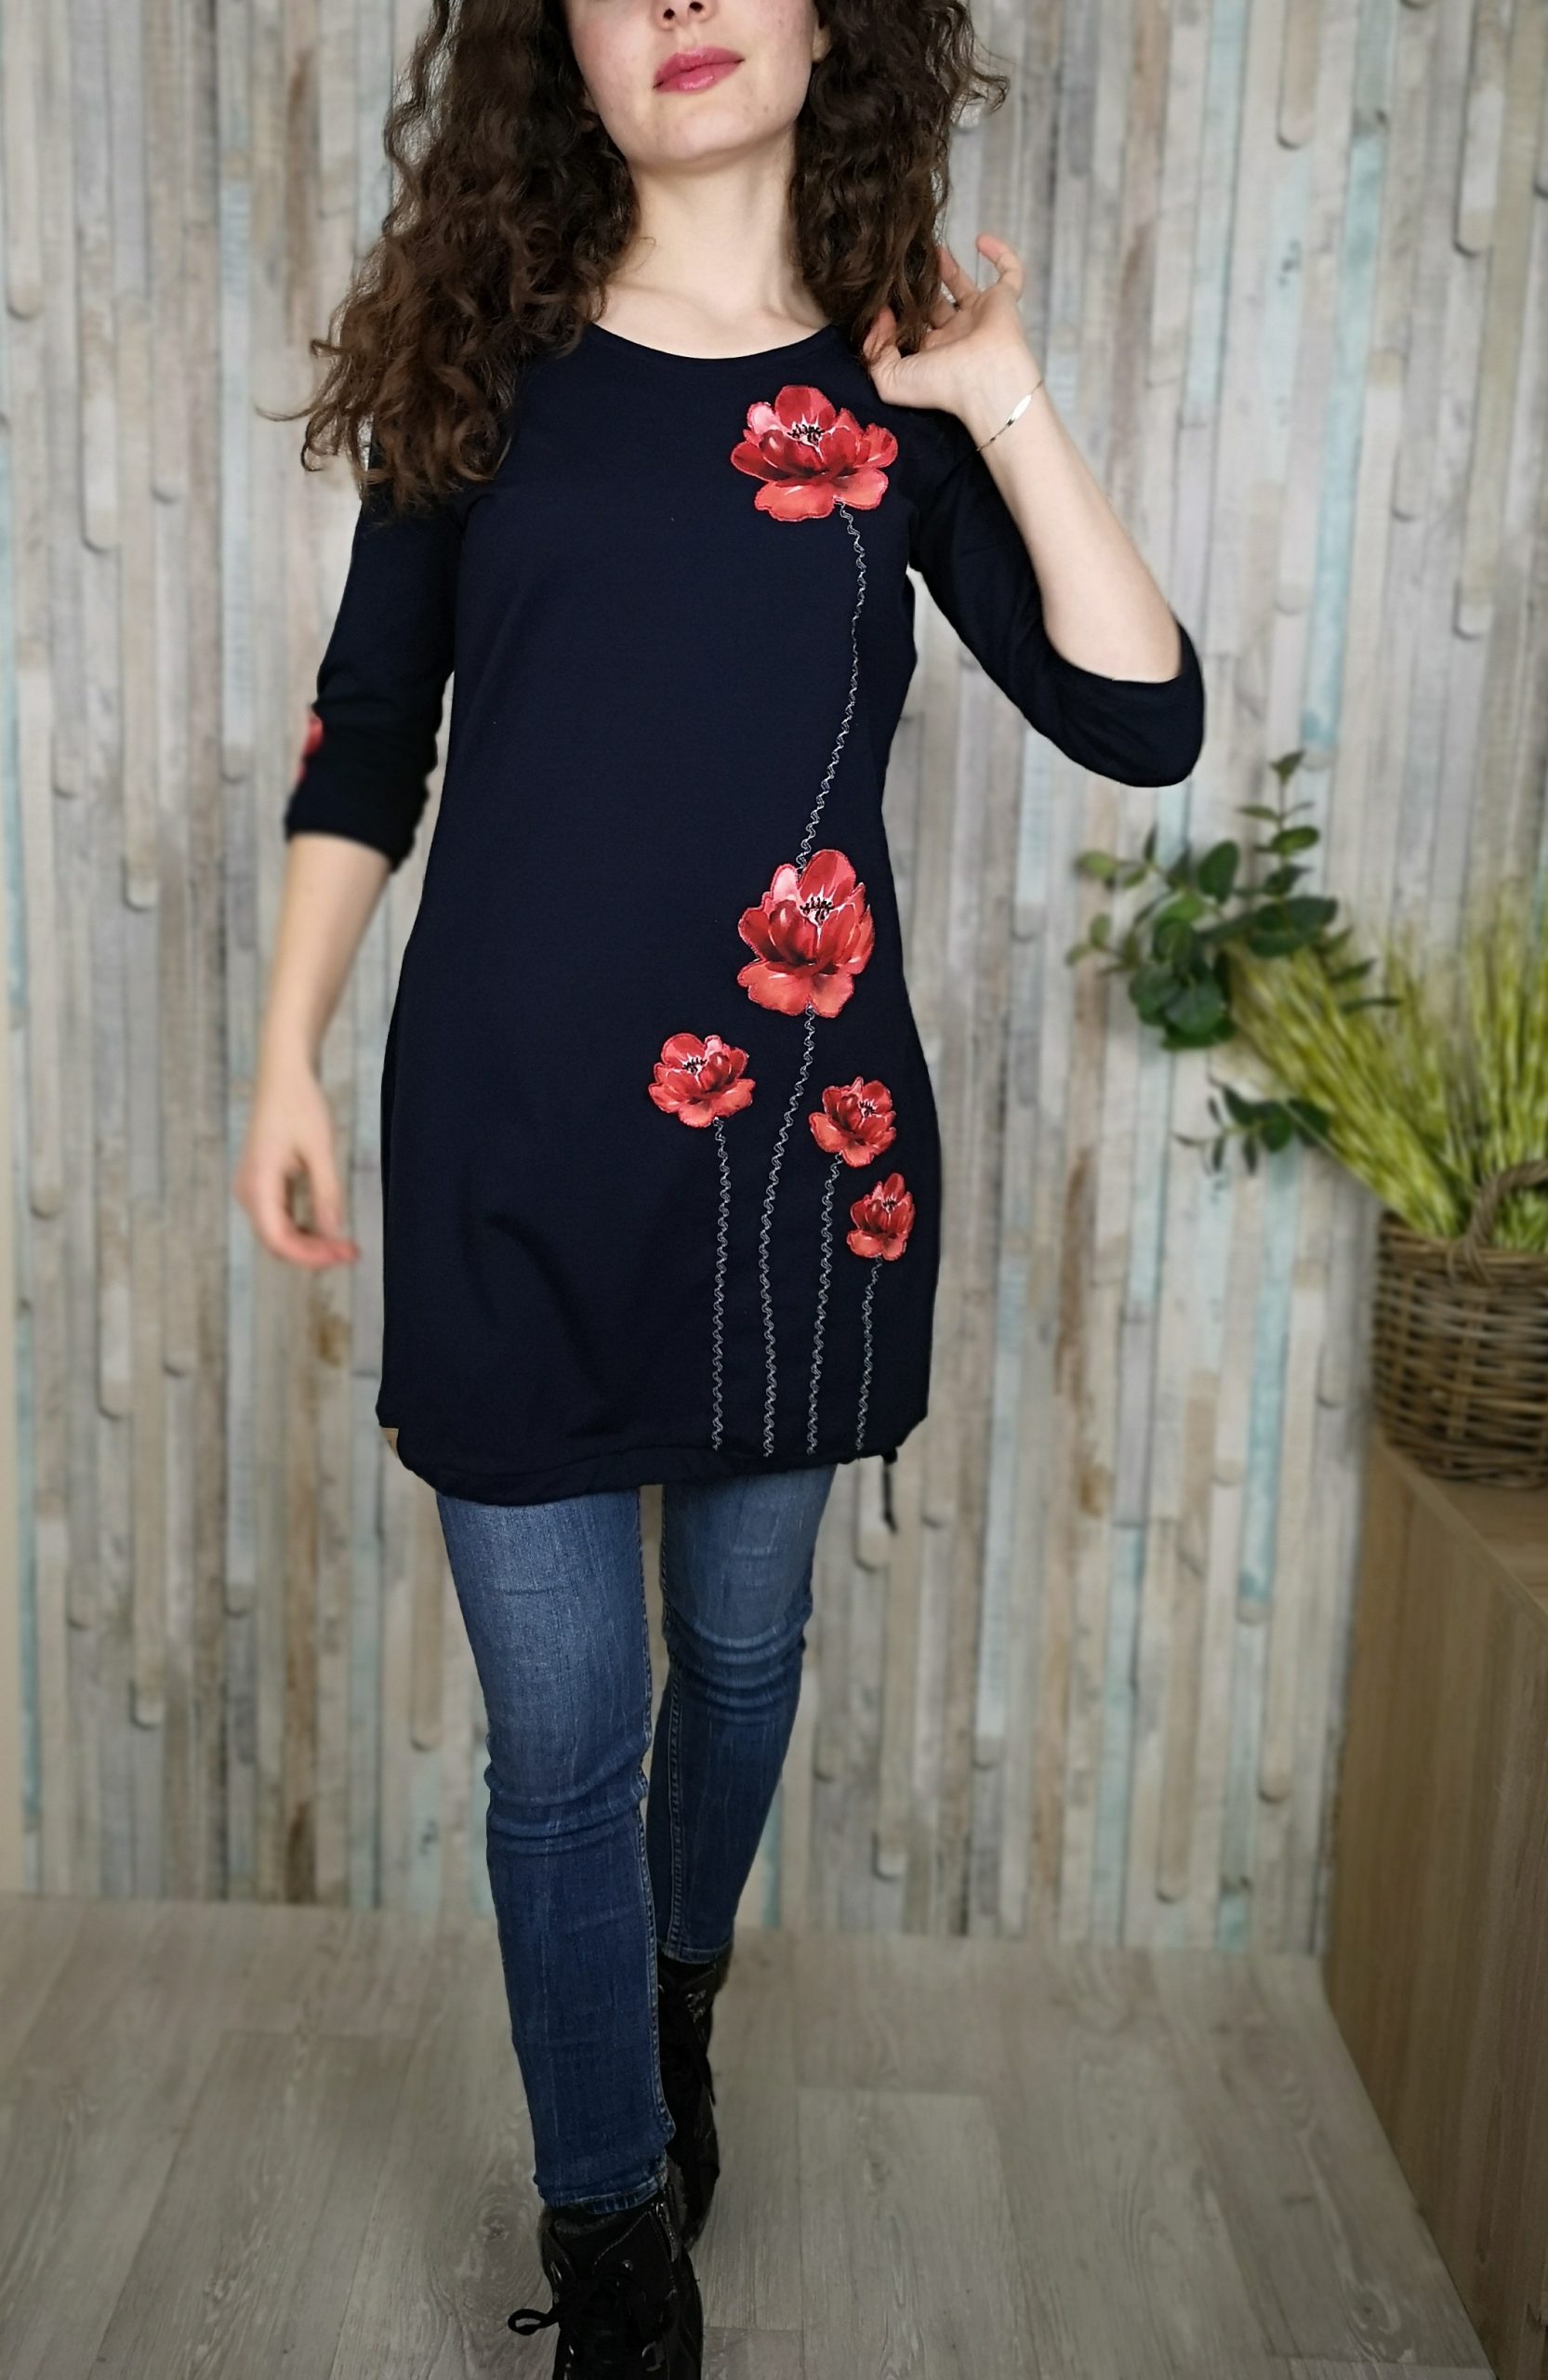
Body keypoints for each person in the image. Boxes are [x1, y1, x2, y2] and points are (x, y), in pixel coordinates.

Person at [233, 2, 1207, 2372]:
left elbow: (1138, 716)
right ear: (552, 50)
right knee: (559, 1741)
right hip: (505, 1140)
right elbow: (367, 732)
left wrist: (1000, 392)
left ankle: (676, 1992)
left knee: (739, 1662)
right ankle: (609, 2242)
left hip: (799, 1155)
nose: (676, 3)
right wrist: (280, 1052)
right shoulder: (480, 366)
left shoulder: (897, 389)